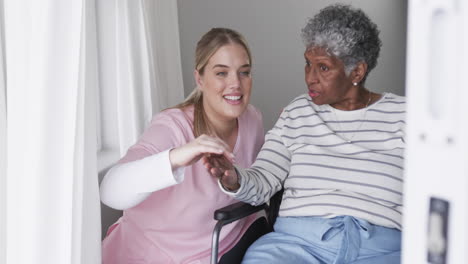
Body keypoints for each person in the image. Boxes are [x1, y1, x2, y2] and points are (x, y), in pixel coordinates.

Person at [204, 4, 406, 264]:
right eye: (308, 64)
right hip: (296, 246)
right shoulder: (297, 113)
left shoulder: (406, 116)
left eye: (323, 68)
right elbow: (263, 180)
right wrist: (234, 178)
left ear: (357, 71)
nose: (310, 77)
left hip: (381, 251)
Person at [100, 28, 266, 264]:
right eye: (221, 73)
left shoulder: (253, 120)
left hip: (224, 251)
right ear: (200, 79)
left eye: (244, 72)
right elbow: (110, 192)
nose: (235, 84)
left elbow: (259, 186)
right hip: (150, 255)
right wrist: (177, 157)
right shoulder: (172, 127)